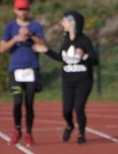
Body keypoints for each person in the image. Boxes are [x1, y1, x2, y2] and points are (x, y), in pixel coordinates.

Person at [38, 11, 99, 145]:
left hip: (83, 80)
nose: (62, 23)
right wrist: (46, 51)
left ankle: (81, 134)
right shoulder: (65, 40)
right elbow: (62, 57)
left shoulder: (84, 40)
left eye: (64, 21)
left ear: (73, 23)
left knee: (79, 108)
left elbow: (95, 60)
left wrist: (84, 56)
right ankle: (70, 125)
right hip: (68, 82)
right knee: (66, 111)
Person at [0, 0, 46, 147]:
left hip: (31, 69)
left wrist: (31, 35)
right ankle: (17, 129)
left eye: (24, 9)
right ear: (15, 10)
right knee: (17, 102)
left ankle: (29, 133)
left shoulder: (36, 26)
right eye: (20, 9)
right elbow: (1, 48)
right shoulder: (9, 27)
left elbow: (44, 44)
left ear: (28, 10)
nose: (22, 12)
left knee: (29, 103)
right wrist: (16, 39)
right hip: (16, 70)